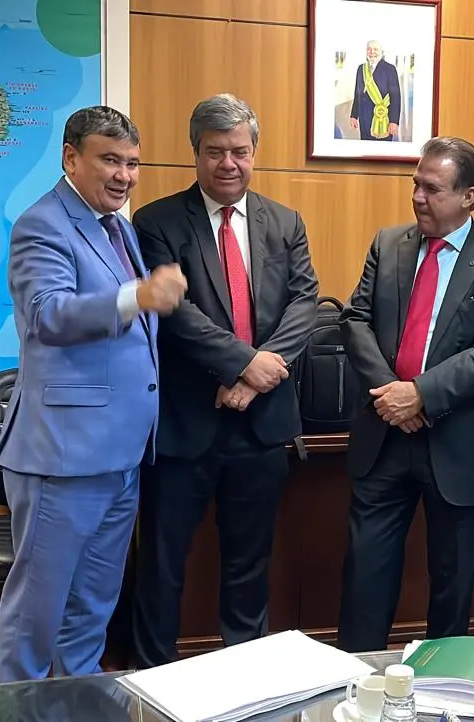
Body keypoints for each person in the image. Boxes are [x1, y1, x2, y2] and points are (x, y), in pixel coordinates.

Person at [0, 106, 187, 682]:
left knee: (92, 607)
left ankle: (75, 704)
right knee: (37, 612)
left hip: (121, 455)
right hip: (63, 456)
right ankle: (20, 711)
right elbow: (48, 315)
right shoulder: (43, 224)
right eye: (110, 160)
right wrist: (137, 296)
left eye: (133, 163)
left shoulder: (117, 227)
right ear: (71, 158)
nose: (124, 175)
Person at [130, 93, 320, 666]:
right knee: (163, 563)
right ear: (196, 153)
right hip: (186, 426)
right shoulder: (156, 221)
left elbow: (305, 302)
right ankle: (152, 676)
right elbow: (174, 314)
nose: (228, 163)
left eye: (239, 151)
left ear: (254, 151)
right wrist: (241, 362)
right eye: (215, 151)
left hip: (261, 426)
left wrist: (258, 373)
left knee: (249, 564)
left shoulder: (284, 222)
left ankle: (246, 678)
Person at [336, 136, 474, 653]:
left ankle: (445, 682)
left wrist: (419, 395)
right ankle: (359, 677)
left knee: (452, 580)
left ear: (469, 196)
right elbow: (355, 320)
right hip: (383, 437)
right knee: (366, 574)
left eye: (432, 189)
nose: (418, 197)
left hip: (455, 443)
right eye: (416, 184)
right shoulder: (388, 244)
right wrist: (392, 396)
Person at [349, 40, 402, 141]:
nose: (372, 52)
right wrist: (354, 115)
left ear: (381, 52)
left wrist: (394, 121)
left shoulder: (390, 69)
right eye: (369, 49)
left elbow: (395, 97)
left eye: (375, 49)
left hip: (383, 119)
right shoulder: (361, 69)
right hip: (364, 120)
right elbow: (357, 94)